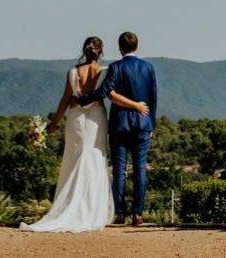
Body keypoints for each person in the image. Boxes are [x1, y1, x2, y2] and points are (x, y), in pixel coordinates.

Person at [19, 36, 148, 233]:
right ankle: (92, 208)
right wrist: (136, 106)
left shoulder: (72, 72)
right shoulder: (106, 71)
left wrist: (53, 123)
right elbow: (110, 95)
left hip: (75, 118)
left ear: (84, 51)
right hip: (96, 117)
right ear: (100, 51)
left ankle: (71, 206)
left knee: (74, 159)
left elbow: (65, 99)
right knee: (95, 158)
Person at [75, 31, 158, 226]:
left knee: (119, 169)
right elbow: (153, 98)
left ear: (120, 48)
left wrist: (84, 100)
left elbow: (105, 91)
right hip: (142, 123)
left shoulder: (115, 67)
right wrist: (151, 123)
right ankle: (138, 214)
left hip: (119, 124)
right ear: (137, 46)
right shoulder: (148, 68)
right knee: (140, 169)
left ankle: (119, 213)